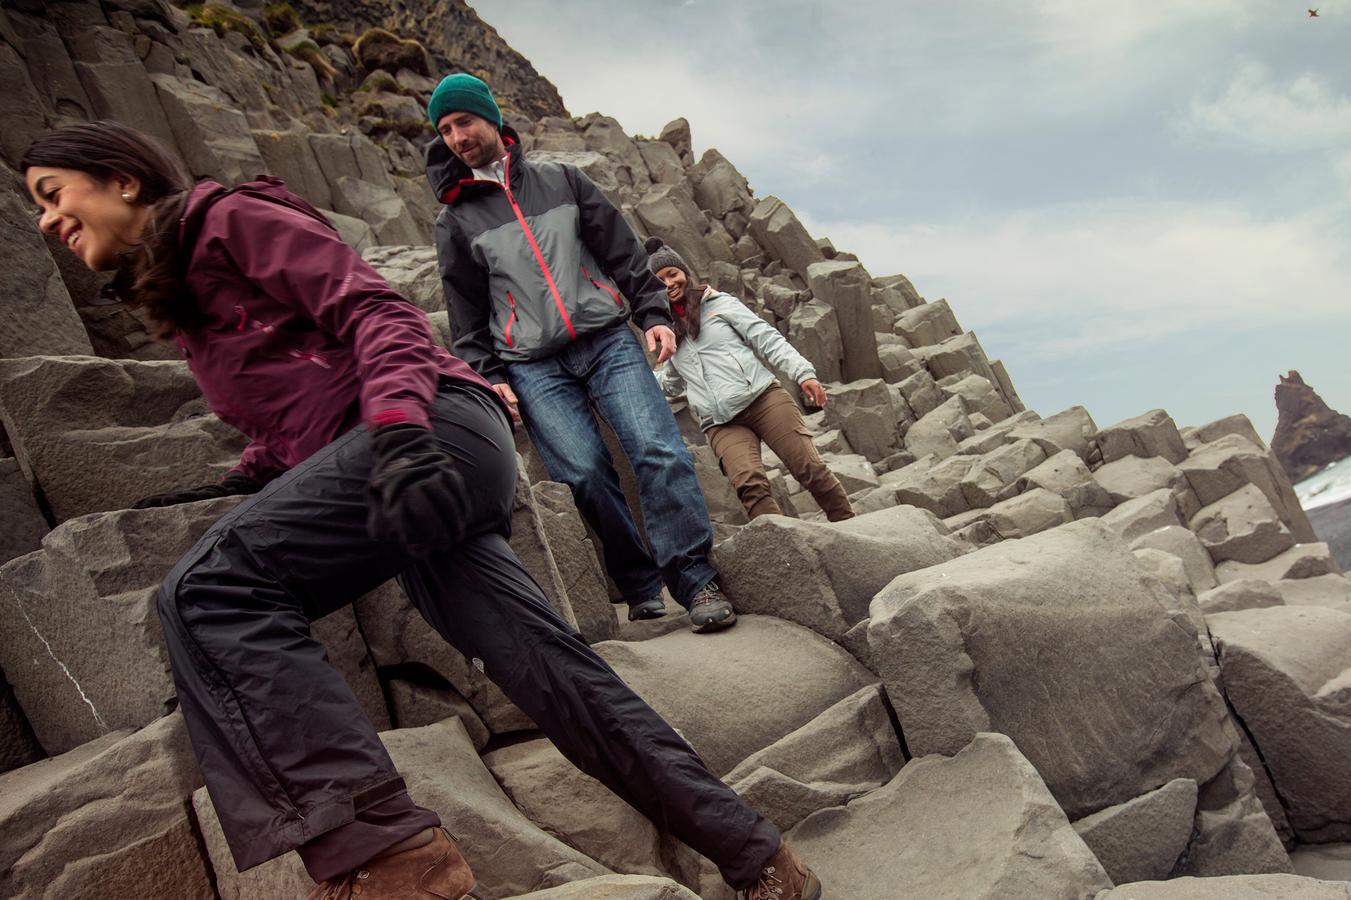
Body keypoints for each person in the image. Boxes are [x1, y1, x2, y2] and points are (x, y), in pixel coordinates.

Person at [20, 120, 821, 900]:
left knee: (205, 592)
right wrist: (251, 473)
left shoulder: (228, 219)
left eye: (54, 195)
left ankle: (389, 861)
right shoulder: (189, 288)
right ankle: (760, 859)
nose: (48, 220)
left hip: (426, 430)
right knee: (557, 682)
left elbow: (381, 317)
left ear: (123, 180)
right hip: (405, 462)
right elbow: (304, 403)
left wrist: (401, 434)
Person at [426, 73, 732, 630]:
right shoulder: (455, 220)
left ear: (491, 117)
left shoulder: (560, 179)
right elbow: (465, 310)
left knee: (658, 450)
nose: (455, 136)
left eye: (463, 121)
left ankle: (694, 579)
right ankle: (639, 581)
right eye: (444, 129)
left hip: (608, 338)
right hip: (532, 366)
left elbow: (622, 251)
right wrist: (488, 375)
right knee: (583, 475)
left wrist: (654, 314)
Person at [647, 239, 854, 522]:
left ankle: (850, 525)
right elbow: (672, 383)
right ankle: (790, 553)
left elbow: (766, 339)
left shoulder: (719, 304)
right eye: (659, 280)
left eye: (673, 274)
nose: (669, 283)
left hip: (764, 399)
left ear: (685, 273)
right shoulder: (666, 330)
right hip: (720, 422)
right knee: (750, 487)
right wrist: (635, 378)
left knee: (809, 468)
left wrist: (802, 373)